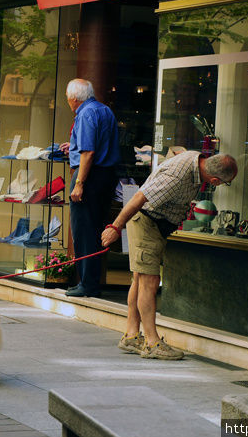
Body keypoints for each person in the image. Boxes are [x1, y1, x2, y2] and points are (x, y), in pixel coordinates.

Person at [101, 152, 238, 359]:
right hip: (147, 222)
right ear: (215, 180)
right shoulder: (177, 176)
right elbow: (139, 197)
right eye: (223, 184)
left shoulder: (195, 161)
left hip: (155, 223)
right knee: (150, 281)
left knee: (139, 279)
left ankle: (131, 335)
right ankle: (152, 342)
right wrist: (115, 227)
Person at [59, 79, 120, 297]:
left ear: (74, 98)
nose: (69, 102)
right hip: (106, 176)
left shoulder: (85, 114)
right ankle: (91, 281)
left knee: (84, 231)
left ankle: (87, 284)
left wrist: (79, 183)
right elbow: (94, 145)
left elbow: (88, 153)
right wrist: (73, 146)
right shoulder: (104, 110)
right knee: (95, 230)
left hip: (90, 176)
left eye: (68, 99)